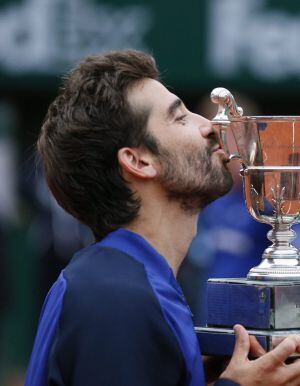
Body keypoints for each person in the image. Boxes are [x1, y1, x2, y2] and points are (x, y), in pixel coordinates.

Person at [25, 50, 300, 386]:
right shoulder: (115, 297)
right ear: (138, 161)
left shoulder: (128, 281)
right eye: (180, 117)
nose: (209, 125)